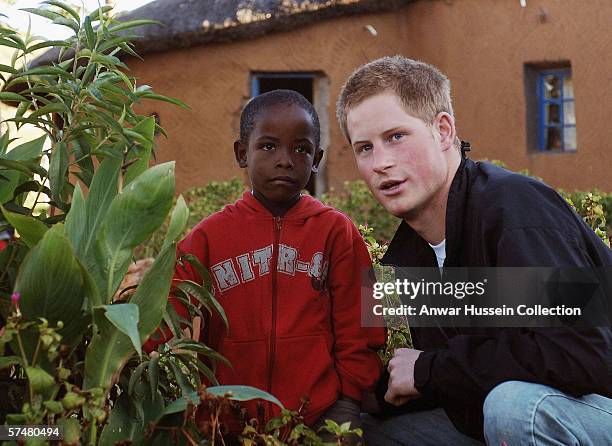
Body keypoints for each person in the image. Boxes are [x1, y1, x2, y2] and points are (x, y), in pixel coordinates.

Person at [335, 56, 612, 445]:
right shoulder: (413, 253)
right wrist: (366, 396)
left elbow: (581, 356)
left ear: (443, 130)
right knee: (371, 430)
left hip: (596, 406)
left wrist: (430, 370)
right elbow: (463, 377)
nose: (381, 163)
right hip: (519, 414)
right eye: (364, 148)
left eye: (396, 136)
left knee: (514, 408)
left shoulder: (513, 210)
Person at [150, 89, 385, 436]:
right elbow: (164, 310)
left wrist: (349, 399)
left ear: (316, 158)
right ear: (242, 153)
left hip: (319, 416)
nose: (285, 160)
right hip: (227, 419)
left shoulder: (338, 232)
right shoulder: (209, 237)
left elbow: (363, 326)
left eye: (301, 149)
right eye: (269, 146)